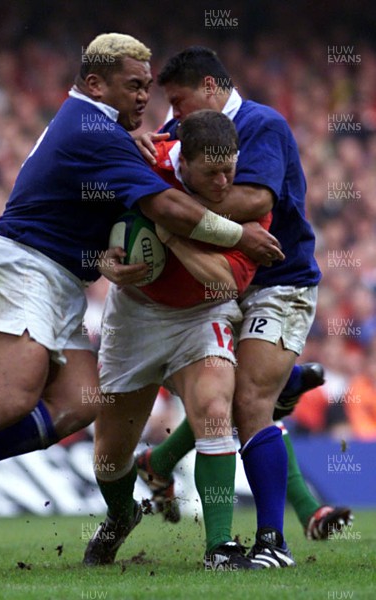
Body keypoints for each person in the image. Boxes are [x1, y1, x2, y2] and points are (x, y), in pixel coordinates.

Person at [0, 34, 283, 535]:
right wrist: (238, 235)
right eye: (133, 86)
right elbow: (164, 208)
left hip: (61, 279)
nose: (145, 97)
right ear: (95, 83)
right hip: (22, 265)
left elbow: (90, 215)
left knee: (77, 405)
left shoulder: (105, 128)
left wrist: (103, 260)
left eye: (146, 87)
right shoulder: (92, 128)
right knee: (11, 395)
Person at [134, 46, 351, 563]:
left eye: (181, 102)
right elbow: (152, 170)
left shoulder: (262, 124)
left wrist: (171, 210)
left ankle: (271, 543)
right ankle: (164, 462)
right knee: (228, 399)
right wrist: (137, 149)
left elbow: (255, 200)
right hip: (223, 286)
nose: (175, 115)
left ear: (211, 87)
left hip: (280, 282)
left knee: (250, 401)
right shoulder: (185, 128)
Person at [83, 109, 292, 571]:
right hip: (134, 313)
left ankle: (220, 546)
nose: (223, 184)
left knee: (216, 412)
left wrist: (171, 233)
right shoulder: (145, 160)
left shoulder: (252, 203)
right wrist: (103, 258)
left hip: (203, 312)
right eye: (211, 173)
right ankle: (122, 515)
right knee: (109, 458)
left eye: (230, 171)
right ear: (182, 160)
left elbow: (225, 282)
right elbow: (94, 213)